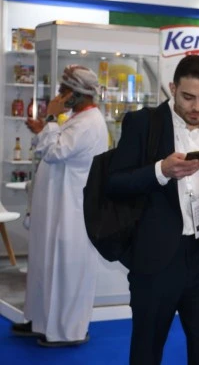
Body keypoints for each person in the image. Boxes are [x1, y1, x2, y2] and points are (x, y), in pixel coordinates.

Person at [106, 55, 199, 365]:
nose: (197, 107)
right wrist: (160, 170)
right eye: (188, 97)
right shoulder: (143, 123)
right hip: (156, 261)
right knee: (146, 352)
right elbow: (115, 183)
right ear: (173, 89)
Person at [11, 65, 108, 346]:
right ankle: (40, 322)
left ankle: (66, 331)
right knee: (44, 267)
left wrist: (51, 118)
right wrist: (46, 127)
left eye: (64, 91)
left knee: (66, 273)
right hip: (56, 210)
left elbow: (55, 151)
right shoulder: (77, 119)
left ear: (77, 94)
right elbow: (54, 145)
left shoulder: (89, 123)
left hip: (71, 213)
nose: (59, 95)